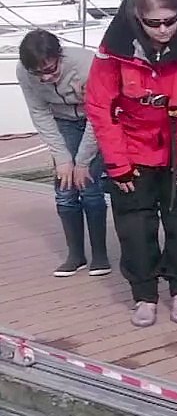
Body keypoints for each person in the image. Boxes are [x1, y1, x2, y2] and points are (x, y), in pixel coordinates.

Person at [84, 0, 177, 327]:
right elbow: (99, 105)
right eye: (154, 23)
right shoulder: (115, 45)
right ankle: (144, 295)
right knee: (134, 227)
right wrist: (117, 163)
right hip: (133, 148)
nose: (164, 30)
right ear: (138, 18)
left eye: (170, 21)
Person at [17, 30, 111, 278]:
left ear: (59, 56)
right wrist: (62, 158)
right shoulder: (24, 73)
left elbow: (98, 115)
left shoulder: (86, 63)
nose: (46, 78)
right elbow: (40, 113)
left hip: (94, 121)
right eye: (39, 74)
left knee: (89, 186)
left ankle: (100, 255)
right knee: (65, 190)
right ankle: (76, 255)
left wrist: (82, 161)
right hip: (63, 122)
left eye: (51, 70)